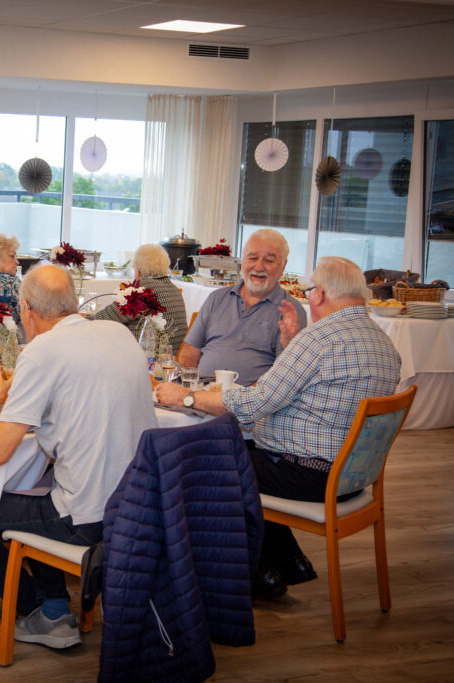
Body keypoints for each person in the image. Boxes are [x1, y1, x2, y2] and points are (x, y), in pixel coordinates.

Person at [156, 256, 401, 599]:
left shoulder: (319, 340)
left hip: (308, 474)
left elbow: (253, 405)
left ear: (318, 295)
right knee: (247, 452)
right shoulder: (384, 344)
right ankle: (287, 561)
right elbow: (319, 392)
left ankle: (251, 575)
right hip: (352, 478)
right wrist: (291, 345)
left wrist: (186, 398)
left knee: (197, 463)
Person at [0, 265, 157, 650]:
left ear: (26, 309)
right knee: (42, 488)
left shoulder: (43, 351)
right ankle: (56, 603)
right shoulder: (119, 334)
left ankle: (42, 613)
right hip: (138, 508)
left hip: (87, 519)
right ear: (73, 303)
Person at [179, 228, 307, 386]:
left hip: (248, 405)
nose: (259, 267)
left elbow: (283, 375)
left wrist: (236, 400)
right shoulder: (217, 298)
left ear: (283, 266)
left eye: (269, 261)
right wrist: (189, 387)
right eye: (252, 258)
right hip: (200, 395)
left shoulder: (290, 312)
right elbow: (189, 353)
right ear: (242, 262)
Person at [92, 243, 188, 351]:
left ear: (138, 269)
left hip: (150, 361)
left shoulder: (142, 290)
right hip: (172, 358)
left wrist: (80, 319)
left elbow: (101, 319)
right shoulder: (174, 289)